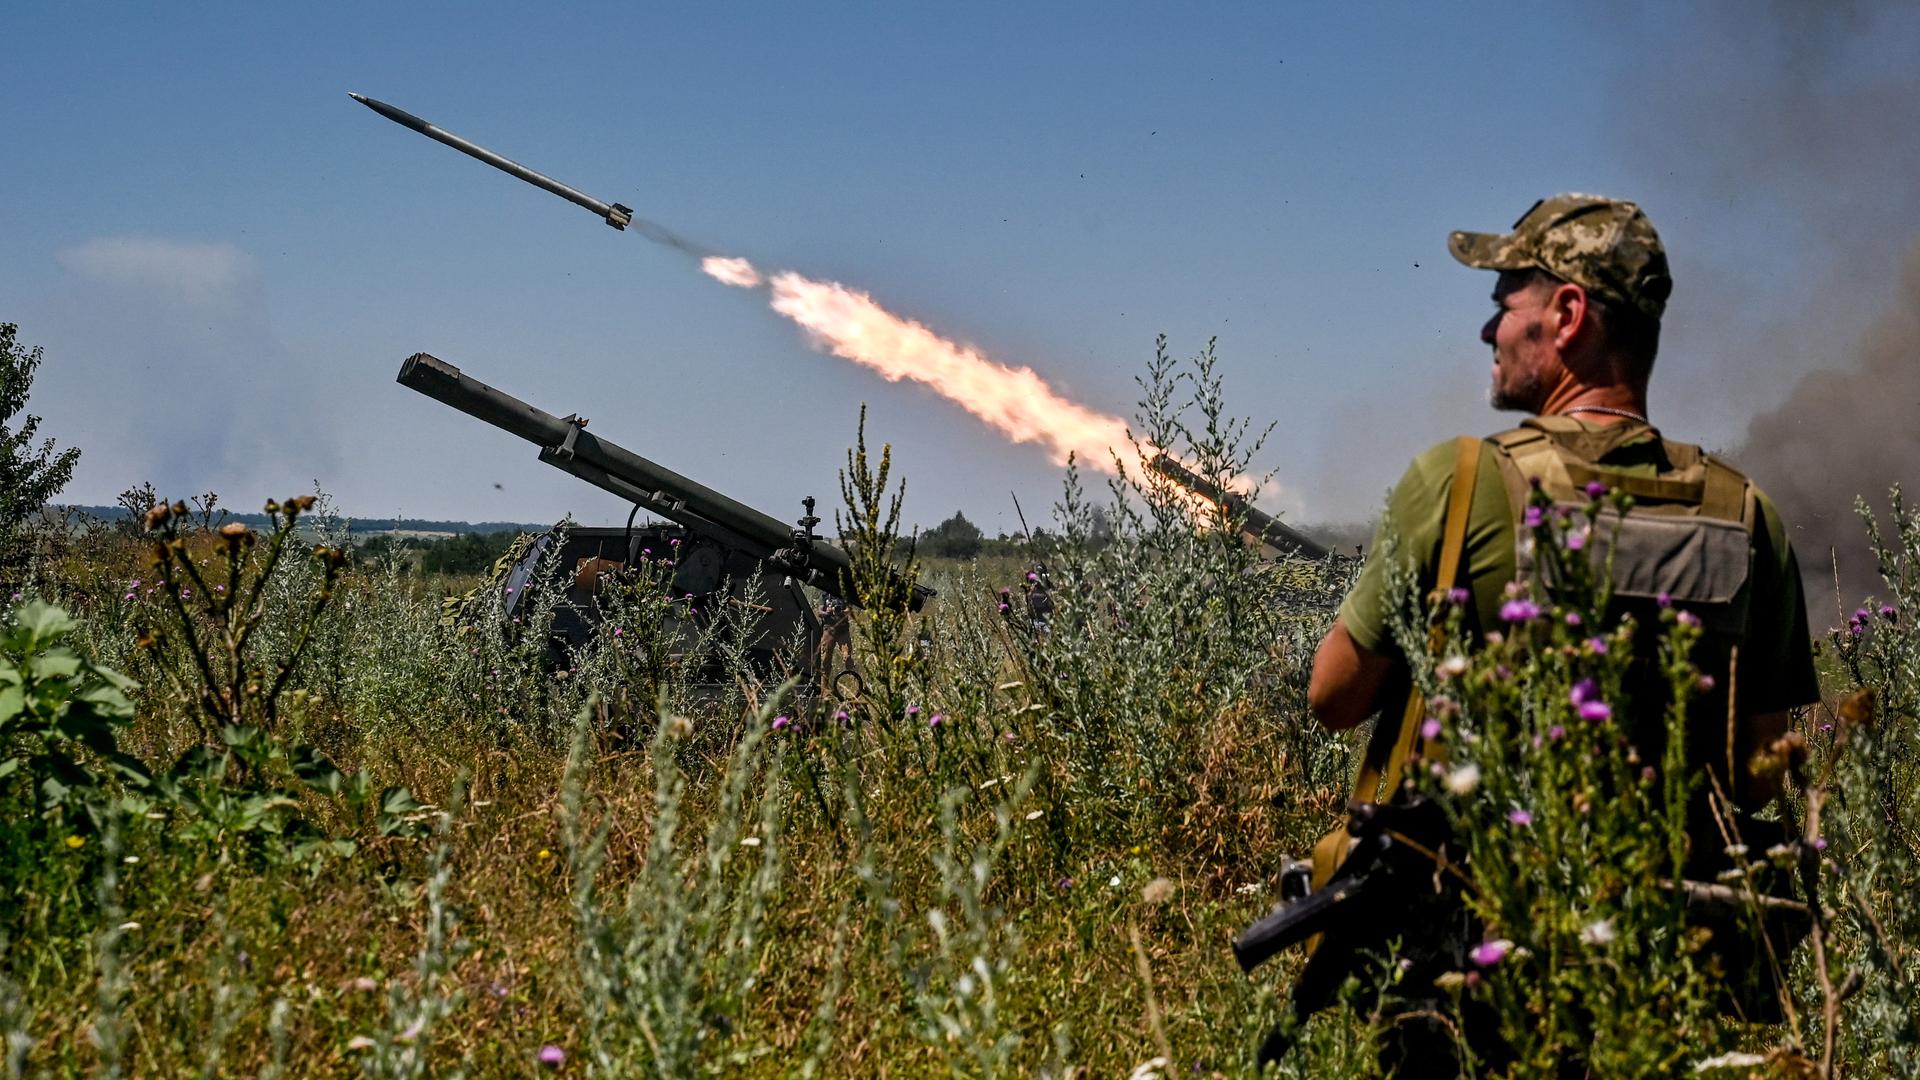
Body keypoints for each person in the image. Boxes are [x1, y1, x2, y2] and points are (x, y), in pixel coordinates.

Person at [1302, 194, 1820, 1074]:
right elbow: (1760, 772)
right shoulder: (1748, 516)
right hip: (1673, 979)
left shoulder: (1460, 486)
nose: (1488, 333)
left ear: (1569, 315)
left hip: (1480, 970)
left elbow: (1332, 699)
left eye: (1506, 302)